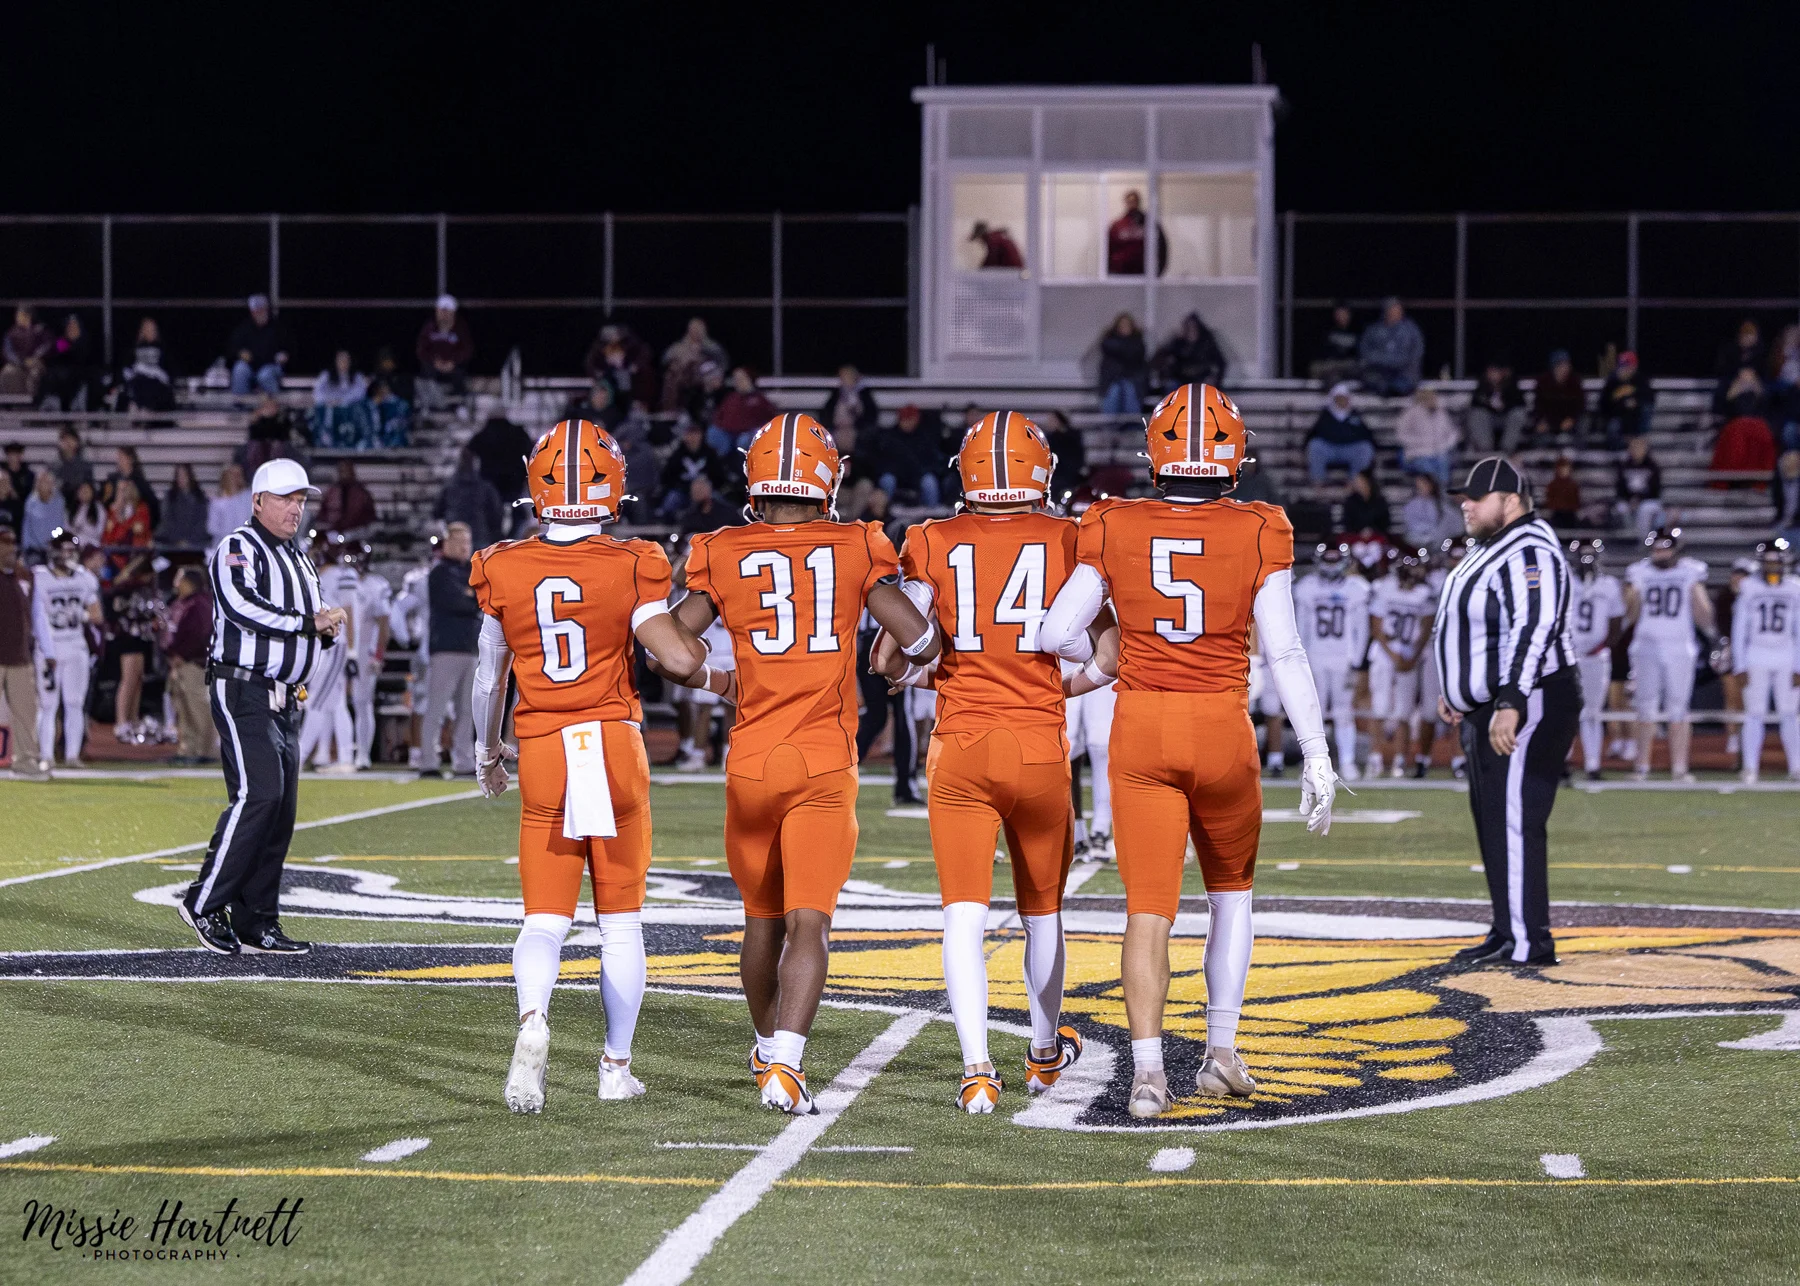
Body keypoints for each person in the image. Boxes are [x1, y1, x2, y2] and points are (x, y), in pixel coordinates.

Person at [1036, 383, 1336, 1118]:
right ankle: (1220, 1053)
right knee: (1232, 897)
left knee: (1149, 912)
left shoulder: (1111, 521)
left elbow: (1053, 633)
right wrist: (1317, 751)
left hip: (1142, 731)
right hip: (1222, 731)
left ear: (1154, 452)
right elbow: (1287, 651)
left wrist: (1108, 655)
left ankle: (1146, 1076)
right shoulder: (1262, 524)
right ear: (1235, 455)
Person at [654, 412, 937, 1115]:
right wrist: (899, 656)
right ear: (826, 478)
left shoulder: (722, 550)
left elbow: (671, 649)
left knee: (761, 921)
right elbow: (921, 638)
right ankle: (785, 1063)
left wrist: (720, 681)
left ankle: (762, 1044)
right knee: (810, 923)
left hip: (752, 758)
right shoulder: (855, 543)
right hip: (821, 758)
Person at [470, 418, 710, 1110]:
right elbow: (673, 654)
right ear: (616, 485)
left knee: (544, 918)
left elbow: (491, 679)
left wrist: (489, 754)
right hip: (610, 744)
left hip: (544, 746)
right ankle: (614, 1067)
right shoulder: (634, 560)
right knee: (621, 921)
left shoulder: (502, 564)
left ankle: (534, 1021)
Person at [872, 412, 1090, 1112]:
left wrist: (947, 675)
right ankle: (1044, 1052)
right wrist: (1051, 683)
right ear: (1041, 473)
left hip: (961, 744)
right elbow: (1110, 658)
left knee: (962, 914)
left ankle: (975, 1070)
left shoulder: (930, 537)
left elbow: (891, 656)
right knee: (1043, 912)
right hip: (1037, 744)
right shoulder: (1070, 538)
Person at [181, 458, 346, 956]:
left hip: (285, 699)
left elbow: (307, 622)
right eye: (286, 498)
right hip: (244, 688)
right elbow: (238, 605)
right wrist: (307, 624)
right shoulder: (237, 545)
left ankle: (257, 921)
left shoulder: (299, 558)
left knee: (280, 812)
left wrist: (325, 633)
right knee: (259, 796)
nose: (297, 507)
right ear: (257, 502)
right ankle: (204, 901)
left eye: (301, 499)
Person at [1432, 456, 1580, 967]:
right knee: (1495, 819)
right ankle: (1507, 927)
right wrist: (1458, 690)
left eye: (1476, 496)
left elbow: (1533, 627)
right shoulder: (1492, 548)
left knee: (1514, 820)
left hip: (1529, 697)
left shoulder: (1530, 548)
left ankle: (1527, 940)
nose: (1464, 504)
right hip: (1491, 703)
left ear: (1511, 501)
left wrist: (1511, 700)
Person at [1622, 527, 1717, 783]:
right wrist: (1634, 594)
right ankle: (1641, 766)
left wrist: (1697, 594)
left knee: (1679, 708)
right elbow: (1629, 616)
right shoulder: (1640, 572)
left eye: (1666, 548)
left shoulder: (1690, 572)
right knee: (1645, 707)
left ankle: (1679, 768)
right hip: (1646, 645)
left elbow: (1704, 614)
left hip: (1679, 646)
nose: (1661, 554)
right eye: (1657, 549)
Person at [1294, 541, 1371, 779]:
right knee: (1312, 712)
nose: (1330, 565)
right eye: (1327, 560)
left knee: (1343, 711)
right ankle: (1314, 762)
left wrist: (1357, 660)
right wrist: (1300, 659)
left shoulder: (1356, 588)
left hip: (1342, 657)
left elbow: (1362, 628)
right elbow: (1301, 626)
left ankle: (1347, 761)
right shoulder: (1306, 587)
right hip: (1315, 655)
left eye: (1334, 560)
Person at [30, 529, 100, 768]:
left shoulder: (85, 577)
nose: (71, 554)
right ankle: (46, 756)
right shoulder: (39, 577)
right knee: (48, 705)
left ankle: (72, 756)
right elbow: (35, 617)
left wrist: (79, 614)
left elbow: (96, 615)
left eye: (73, 550)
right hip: (49, 647)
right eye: (66, 550)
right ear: (55, 552)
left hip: (76, 644)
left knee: (74, 703)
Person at [1732, 540, 1800, 783]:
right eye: (1768, 560)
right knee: (1754, 713)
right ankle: (1750, 767)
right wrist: (1739, 665)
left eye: (1776, 560)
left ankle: (1796, 767)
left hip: (1786, 654)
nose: (1772, 565)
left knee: (1790, 714)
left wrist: (1799, 665)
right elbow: (1739, 628)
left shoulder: (1795, 587)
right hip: (1756, 654)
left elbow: (1799, 629)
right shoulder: (1749, 586)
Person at [1366, 550, 1437, 779]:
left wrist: (1412, 656)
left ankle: (1399, 761)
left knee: (1403, 711)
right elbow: (1376, 626)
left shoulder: (1425, 594)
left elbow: (1426, 628)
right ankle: (1375, 759)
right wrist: (1393, 654)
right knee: (1379, 707)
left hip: (1409, 653)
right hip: (1386, 652)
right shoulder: (1383, 588)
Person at [419, 522, 479, 779]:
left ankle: (464, 761)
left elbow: (478, 599)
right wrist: (473, 596)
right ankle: (428, 761)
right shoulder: (440, 572)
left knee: (468, 710)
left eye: (468, 542)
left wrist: (471, 596)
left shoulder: (472, 571)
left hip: (470, 648)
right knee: (438, 707)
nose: (465, 548)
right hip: (446, 648)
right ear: (447, 544)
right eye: (460, 543)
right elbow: (461, 603)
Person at [298, 537, 359, 773]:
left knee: (316, 702)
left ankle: (299, 757)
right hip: (324, 644)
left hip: (336, 644)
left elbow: (348, 613)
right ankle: (345, 758)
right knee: (337, 705)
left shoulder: (342, 575)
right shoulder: (318, 577)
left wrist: (352, 652)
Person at [1566, 540, 1625, 781]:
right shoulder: (1564, 581)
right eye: (1583, 556)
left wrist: (1601, 645)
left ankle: (1593, 764)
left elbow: (1615, 622)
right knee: (1566, 711)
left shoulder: (1609, 585)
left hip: (1595, 656)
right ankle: (1562, 761)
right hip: (1567, 655)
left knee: (1592, 712)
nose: (1586, 562)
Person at [0, 527, 46, 779]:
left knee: (26, 713)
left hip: (19, 656)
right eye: (5, 543)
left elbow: (36, 615)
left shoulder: (24, 576)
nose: (11, 548)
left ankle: (27, 762)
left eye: (13, 542)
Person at [161, 565, 218, 765]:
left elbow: (200, 635)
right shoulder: (184, 603)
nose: (175, 583)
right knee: (183, 709)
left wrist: (181, 655)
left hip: (195, 663)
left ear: (188, 582)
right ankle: (189, 749)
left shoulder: (200, 604)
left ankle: (206, 751)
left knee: (198, 708)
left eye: (179, 579)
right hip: (181, 663)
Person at [342, 543, 390, 770]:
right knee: (333, 703)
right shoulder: (339, 580)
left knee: (362, 703)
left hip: (364, 651)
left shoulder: (376, 585)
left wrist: (379, 655)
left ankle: (362, 755)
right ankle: (335, 752)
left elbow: (384, 623)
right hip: (339, 648)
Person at [433, 450, 504, 551]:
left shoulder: (449, 487)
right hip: (480, 536)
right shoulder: (486, 488)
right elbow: (496, 515)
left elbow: (437, 513)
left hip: (456, 536)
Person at [877, 403, 945, 507]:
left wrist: (918, 472)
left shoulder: (924, 437)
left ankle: (933, 516)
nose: (908, 423)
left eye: (911, 419)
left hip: (918, 475)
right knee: (887, 480)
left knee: (929, 482)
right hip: (896, 474)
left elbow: (931, 461)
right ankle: (883, 512)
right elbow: (884, 462)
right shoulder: (889, 437)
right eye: (905, 419)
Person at [1305, 383, 1376, 482]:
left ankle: (1355, 483)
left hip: (1350, 449)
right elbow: (1313, 434)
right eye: (1339, 398)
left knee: (1365, 448)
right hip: (1330, 449)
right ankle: (1318, 482)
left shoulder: (1354, 415)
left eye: (1344, 398)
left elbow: (1366, 434)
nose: (1342, 401)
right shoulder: (1326, 415)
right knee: (1315, 445)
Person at [227, 295, 292, 398]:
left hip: (271, 366)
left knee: (265, 375)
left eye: (261, 309)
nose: (258, 313)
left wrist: (284, 356)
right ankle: (240, 408)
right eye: (255, 310)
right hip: (251, 366)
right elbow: (234, 349)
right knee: (239, 369)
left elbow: (288, 349)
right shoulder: (244, 328)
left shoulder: (278, 328)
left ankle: (275, 408)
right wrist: (240, 353)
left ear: (267, 309)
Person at [658, 419, 725, 519]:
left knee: (719, 501)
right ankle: (665, 524)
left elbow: (719, 476)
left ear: (701, 435)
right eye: (689, 433)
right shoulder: (678, 454)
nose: (692, 437)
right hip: (683, 491)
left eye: (695, 433)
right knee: (672, 500)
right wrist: (686, 487)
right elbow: (667, 477)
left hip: (706, 491)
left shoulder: (710, 453)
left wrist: (706, 486)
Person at [660, 317, 728, 413]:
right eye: (693, 329)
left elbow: (722, 364)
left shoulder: (712, 347)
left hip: (705, 376)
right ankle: (670, 411)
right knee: (670, 377)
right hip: (683, 377)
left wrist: (717, 376)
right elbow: (666, 359)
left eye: (698, 329)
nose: (695, 331)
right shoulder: (679, 347)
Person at [1358, 298, 1424, 396]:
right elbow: (1365, 353)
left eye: (1397, 310)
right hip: (1379, 375)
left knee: (1402, 384)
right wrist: (1382, 361)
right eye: (1391, 309)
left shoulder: (1411, 331)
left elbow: (1414, 355)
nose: (1394, 313)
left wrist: (1394, 362)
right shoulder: (1373, 330)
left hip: (1404, 376)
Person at [584, 323, 658, 411]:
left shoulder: (631, 344)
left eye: (615, 335)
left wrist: (635, 366)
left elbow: (646, 354)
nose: (613, 338)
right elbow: (589, 363)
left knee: (626, 380)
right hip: (607, 378)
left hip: (629, 377)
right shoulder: (600, 347)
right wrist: (597, 372)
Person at [1394, 386, 1459, 485]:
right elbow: (1401, 435)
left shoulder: (1441, 413)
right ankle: (1433, 493)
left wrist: (1446, 445)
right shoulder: (1410, 413)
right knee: (1427, 466)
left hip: (1439, 452)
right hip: (1417, 453)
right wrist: (1419, 442)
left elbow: (1453, 433)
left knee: (1443, 462)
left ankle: (1443, 494)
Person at [415, 295, 473, 400]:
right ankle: (428, 404)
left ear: (453, 313)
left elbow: (467, 350)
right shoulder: (429, 327)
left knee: (461, 374)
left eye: (448, 311)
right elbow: (421, 350)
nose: (444, 315)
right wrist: (435, 361)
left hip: (454, 366)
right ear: (437, 311)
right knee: (425, 373)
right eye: (442, 311)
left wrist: (453, 362)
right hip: (433, 366)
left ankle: (460, 403)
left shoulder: (461, 328)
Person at [1465, 360, 1528, 455]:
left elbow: (1519, 403)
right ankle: (1485, 451)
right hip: (1489, 420)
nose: (1493, 375)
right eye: (1490, 371)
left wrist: (1505, 403)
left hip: (1506, 419)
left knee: (1518, 414)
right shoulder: (1482, 385)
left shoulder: (1511, 384)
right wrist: (1489, 402)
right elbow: (1476, 403)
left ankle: (1507, 450)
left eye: (1496, 371)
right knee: (1477, 414)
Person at [1150, 312, 1225, 391]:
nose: (1191, 330)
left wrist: (1215, 379)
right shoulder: (1178, 343)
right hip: (1181, 379)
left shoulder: (1207, 343)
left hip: (1201, 378)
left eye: (1193, 327)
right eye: (1188, 328)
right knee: (1171, 386)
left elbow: (1221, 363)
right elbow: (1158, 359)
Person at [40, 313, 98, 411]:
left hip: (80, 376)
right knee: (52, 377)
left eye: (75, 326)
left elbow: (84, 359)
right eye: (70, 326)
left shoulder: (84, 342)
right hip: (62, 377)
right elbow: (58, 355)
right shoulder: (62, 341)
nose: (72, 329)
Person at [119, 317, 175, 413]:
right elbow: (127, 367)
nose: (150, 332)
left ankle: (146, 409)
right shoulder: (135, 348)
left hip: (156, 381)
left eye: (152, 329)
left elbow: (169, 369)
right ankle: (138, 407)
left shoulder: (161, 348)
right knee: (138, 384)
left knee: (152, 386)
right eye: (147, 329)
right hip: (138, 380)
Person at [1596, 350, 1652, 446]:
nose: (1624, 369)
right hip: (1617, 418)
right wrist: (1621, 404)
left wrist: (1636, 402)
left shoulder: (1640, 380)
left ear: (1634, 367)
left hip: (1635, 418)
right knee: (1613, 426)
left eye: (1628, 366)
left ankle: (1638, 443)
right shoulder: (1612, 382)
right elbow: (1603, 405)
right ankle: (1618, 452)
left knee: (1645, 410)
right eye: (1622, 366)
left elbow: (1649, 398)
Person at [1105, 190, 1166, 276]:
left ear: (1138, 202)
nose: (1132, 204)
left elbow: (1161, 248)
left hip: (1144, 274)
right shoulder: (1117, 225)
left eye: (1134, 201)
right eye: (1129, 201)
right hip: (1121, 274)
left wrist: (1158, 272)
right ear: (1126, 202)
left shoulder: (1149, 224)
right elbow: (1108, 249)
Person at [1614, 435, 1665, 539]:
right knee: (1621, 508)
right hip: (1628, 500)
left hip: (1649, 500)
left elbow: (1655, 489)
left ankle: (1643, 541)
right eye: (1633, 448)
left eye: (1639, 448)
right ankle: (1628, 539)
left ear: (1645, 449)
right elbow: (1619, 487)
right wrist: (1630, 499)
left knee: (1644, 509)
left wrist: (1639, 499)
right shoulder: (1624, 466)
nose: (1636, 451)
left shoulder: (1652, 466)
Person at [1097, 314, 1147, 415]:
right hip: (1113, 379)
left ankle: (1132, 424)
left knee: (1129, 390)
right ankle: (1109, 425)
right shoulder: (1109, 343)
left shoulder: (1138, 343)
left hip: (1133, 379)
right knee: (1115, 391)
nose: (1125, 328)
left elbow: (1137, 360)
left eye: (1127, 325)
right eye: (1122, 325)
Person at [1531, 350, 1586, 440]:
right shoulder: (1543, 382)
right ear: (1554, 367)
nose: (1565, 368)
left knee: (1580, 426)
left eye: (1567, 365)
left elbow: (1580, 405)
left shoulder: (1574, 382)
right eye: (1561, 365)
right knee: (1541, 437)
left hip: (1569, 422)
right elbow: (1539, 406)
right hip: (1549, 422)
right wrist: (1541, 422)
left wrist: (1572, 419)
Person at [316, 460, 376, 539]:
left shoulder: (362, 493)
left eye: (347, 471)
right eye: (342, 471)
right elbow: (322, 514)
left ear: (352, 472)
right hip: (334, 532)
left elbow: (369, 515)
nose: (344, 474)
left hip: (356, 533)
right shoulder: (331, 492)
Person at [0, 305, 51, 398]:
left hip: (35, 362)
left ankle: (33, 402)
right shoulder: (11, 333)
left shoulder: (40, 330)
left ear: (28, 316)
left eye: (20, 315)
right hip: (17, 363)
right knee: (7, 372)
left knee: (35, 374)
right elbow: (7, 351)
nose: (17, 318)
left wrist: (35, 358)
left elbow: (47, 345)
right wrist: (20, 361)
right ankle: (14, 402)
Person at [106, 445, 160, 532]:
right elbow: (105, 501)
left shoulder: (140, 482)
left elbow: (152, 504)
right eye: (118, 458)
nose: (119, 461)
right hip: (115, 524)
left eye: (121, 457)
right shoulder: (111, 480)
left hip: (134, 525)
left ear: (130, 459)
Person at [1401, 472, 1460, 550]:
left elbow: (1456, 523)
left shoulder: (1441, 503)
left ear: (1431, 485)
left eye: (1424, 484)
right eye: (1419, 485)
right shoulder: (1411, 505)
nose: (1421, 487)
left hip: (1439, 542)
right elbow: (1411, 524)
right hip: (1417, 541)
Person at [158, 463, 210, 549]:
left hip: (196, 545)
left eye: (184, 475)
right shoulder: (170, 497)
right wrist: (178, 540)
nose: (181, 478)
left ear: (190, 476)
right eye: (178, 475)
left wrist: (189, 541)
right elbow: (167, 521)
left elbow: (202, 522)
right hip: (172, 545)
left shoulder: (200, 497)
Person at [818, 364, 879, 435]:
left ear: (856, 377)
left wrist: (854, 425)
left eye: (849, 375)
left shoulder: (863, 394)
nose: (846, 378)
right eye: (844, 376)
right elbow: (826, 413)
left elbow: (871, 415)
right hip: (836, 428)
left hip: (857, 430)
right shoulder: (836, 393)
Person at [1310, 302, 1361, 384]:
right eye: (1338, 314)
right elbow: (1320, 352)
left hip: (1348, 365)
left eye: (1344, 314)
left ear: (1349, 315)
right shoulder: (1326, 330)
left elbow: (1359, 354)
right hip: (1331, 364)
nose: (1341, 317)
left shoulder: (1357, 330)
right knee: (1317, 368)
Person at [21, 469, 67, 559]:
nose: (44, 484)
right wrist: (25, 549)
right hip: (34, 549)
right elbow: (26, 527)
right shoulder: (30, 502)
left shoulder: (59, 501)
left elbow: (61, 525)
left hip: (54, 548)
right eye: (41, 482)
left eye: (47, 482)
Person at [208, 464, 252, 550]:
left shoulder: (248, 497)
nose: (235, 479)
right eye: (232, 475)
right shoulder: (217, 502)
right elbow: (212, 527)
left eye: (238, 475)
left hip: (245, 546)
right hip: (224, 546)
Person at [1341, 469, 1390, 536]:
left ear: (1368, 482)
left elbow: (1385, 523)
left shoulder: (1379, 501)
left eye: (1361, 481)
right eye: (1357, 481)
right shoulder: (1350, 502)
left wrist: (1372, 531)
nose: (1358, 484)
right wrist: (1360, 532)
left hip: (1376, 537)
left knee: (1374, 546)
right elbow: (1348, 523)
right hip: (1356, 537)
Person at [52, 427, 94, 504]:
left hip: (79, 506)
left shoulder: (86, 467)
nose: (68, 442)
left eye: (71, 439)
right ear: (60, 443)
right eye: (64, 439)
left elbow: (89, 491)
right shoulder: (53, 467)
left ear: (77, 443)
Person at [1545, 455, 1582, 528]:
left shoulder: (1573, 485)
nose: (1563, 470)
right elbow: (1550, 502)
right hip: (1557, 515)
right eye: (1561, 468)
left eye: (1565, 468)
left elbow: (1576, 502)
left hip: (1570, 515)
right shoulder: (1552, 485)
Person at [67, 481, 105, 550]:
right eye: (81, 490)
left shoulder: (98, 508)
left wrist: (83, 528)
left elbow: (99, 531)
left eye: (86, 490)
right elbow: (68, 528)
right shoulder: (73, 509)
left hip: (92, 545)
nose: (84, 493)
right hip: (75, 545)